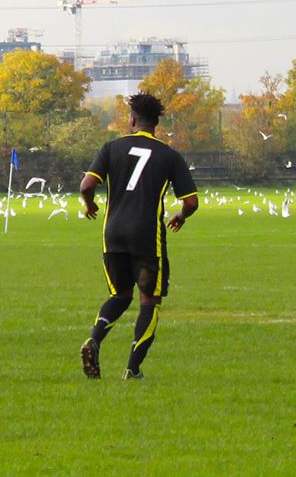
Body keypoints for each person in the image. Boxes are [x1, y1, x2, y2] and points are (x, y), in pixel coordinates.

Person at [79, 93, 199, 380]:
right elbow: (191, 202)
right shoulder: (169, 155)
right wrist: (180, 216)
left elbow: (86, 185)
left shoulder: (111, 148)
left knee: (119, 295)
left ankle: (94, 339)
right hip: (146, 235)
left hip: (114, 234)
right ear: (156, 123)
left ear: (132, 119)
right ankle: (132, 369)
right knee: (149, 299)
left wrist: (91, 204)